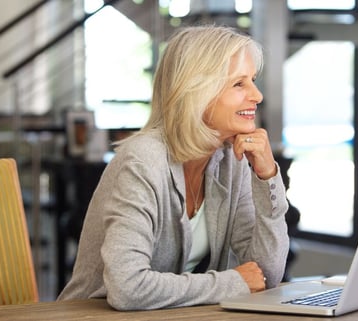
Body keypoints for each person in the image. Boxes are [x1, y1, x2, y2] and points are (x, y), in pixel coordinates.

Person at [57, 25, 290, 310]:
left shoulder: (234, 158)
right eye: (239, 84)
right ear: (197, 91)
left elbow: (266, 271)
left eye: (252, 80)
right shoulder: (142, 161)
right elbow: (128, 288)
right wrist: (233, 284)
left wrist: (267, 177)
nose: (257, 95)